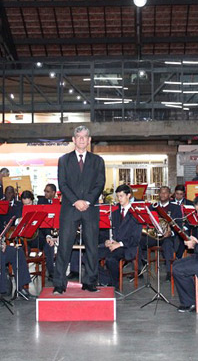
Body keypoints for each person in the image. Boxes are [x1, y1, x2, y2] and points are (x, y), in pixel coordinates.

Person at [53, 125, 105, 294]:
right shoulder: (63, 160)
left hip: (90, 209)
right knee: (64, 247)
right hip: (70, 208)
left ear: (89, 140)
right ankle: (59, 284)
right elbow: (63, 184)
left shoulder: (98, 161)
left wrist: (88, 201)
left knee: (92, 246)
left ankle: (90, 282)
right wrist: (76, 201)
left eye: (85, 136)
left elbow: (100, 184)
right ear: (73, 140)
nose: (82, 139)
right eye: (78, 136)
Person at [99, 185, 141, 291]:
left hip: (126, 247)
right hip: (113, 244)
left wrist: (119, 244)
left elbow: (135, 238)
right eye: (118, 196)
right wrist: (107, 240)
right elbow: (107, 230)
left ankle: (114, 284)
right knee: (89, 256)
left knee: (110, 259)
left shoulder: (136, 213)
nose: (119, 199)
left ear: (129, 195)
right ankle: (107, 280)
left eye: (121, 196)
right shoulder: (115, 212)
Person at [141, 186, 184, 281]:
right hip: (154, 236)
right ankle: (140, 268)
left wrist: (171, 232)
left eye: (165, 193)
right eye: (161, 192)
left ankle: (170, 272)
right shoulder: (152, 207)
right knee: (138, 240)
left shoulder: (176, 208)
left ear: (169, 195)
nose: (163, 194)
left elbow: (179, 225)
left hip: (167, 237)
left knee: (168, 245)